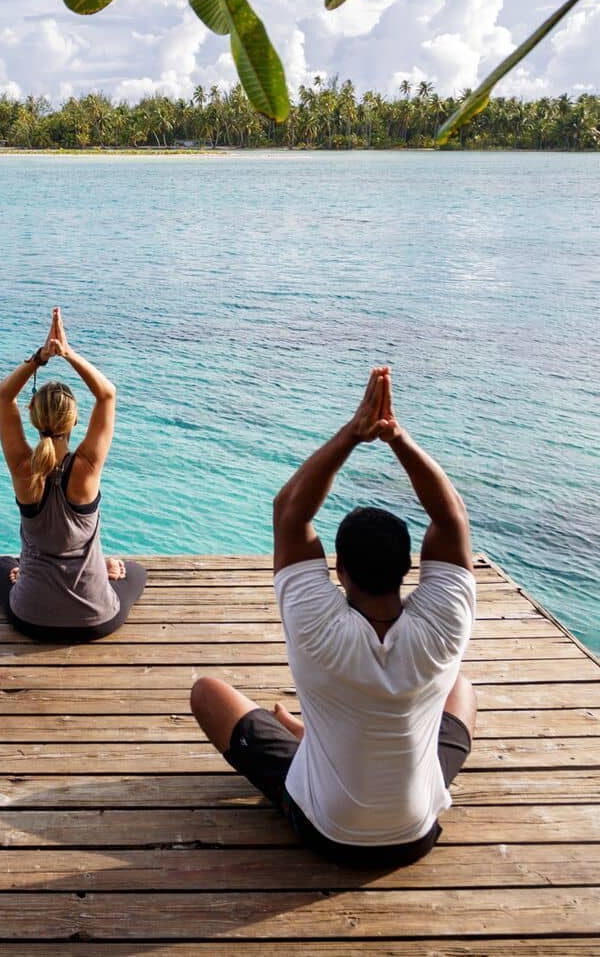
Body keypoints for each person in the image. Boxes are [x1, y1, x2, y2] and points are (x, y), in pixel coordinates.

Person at [190, 366, 477, 868]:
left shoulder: (317, 627)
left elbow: (290, 513)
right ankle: (317, 739)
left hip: (327, 831)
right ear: (409, 567)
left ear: (339, 570)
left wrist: (353, 433)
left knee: (207, 693)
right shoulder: (443, 627)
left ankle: (312, 741)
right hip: (415, 831)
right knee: (463, 688)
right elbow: (450, 517)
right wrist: (398, 438)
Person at [0, 307, 147, 641]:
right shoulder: (87, 469)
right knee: (136, 572)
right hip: (95, 618)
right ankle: (96, 570)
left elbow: (4, 395)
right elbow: (107, 394)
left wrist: (41, 357)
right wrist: (68, 353)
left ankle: (29, 570)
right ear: (75, 421)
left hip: (30, 616)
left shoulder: (23, 469)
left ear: (32, 415)